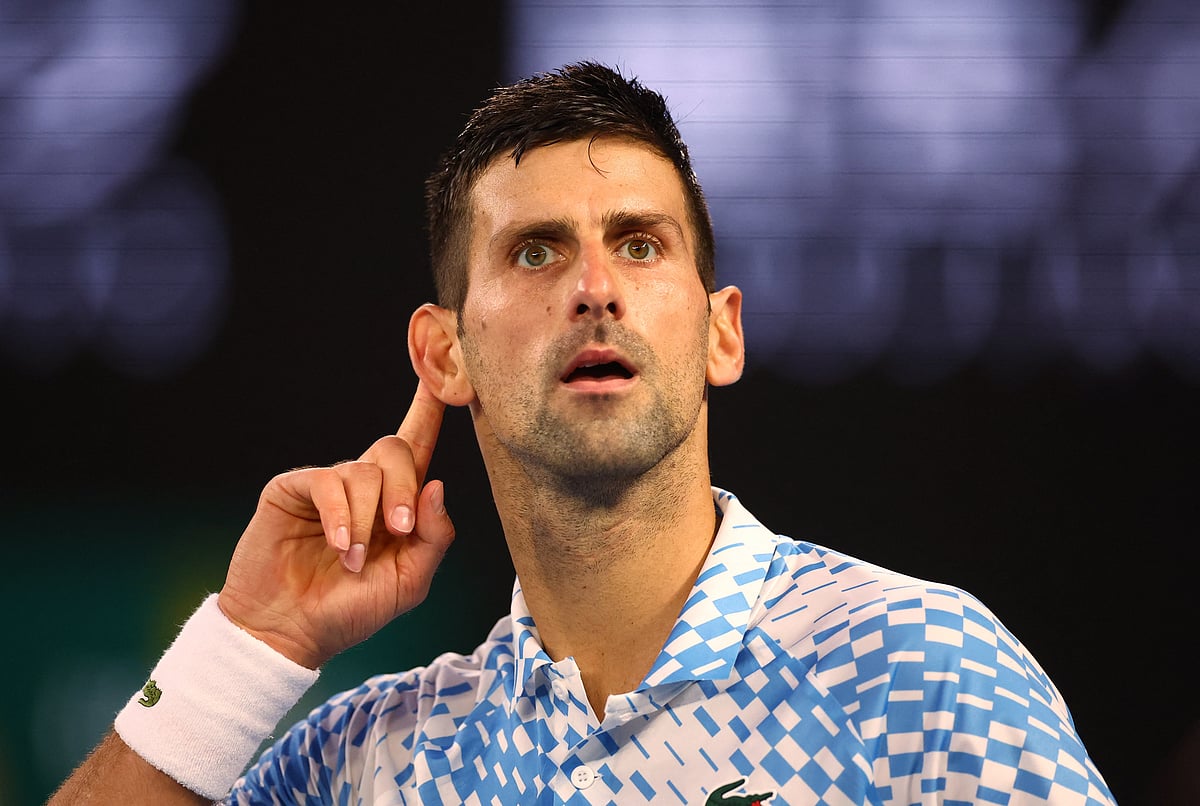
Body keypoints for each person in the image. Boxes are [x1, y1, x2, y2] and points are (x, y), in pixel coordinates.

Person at [50, 61, 1117, 805]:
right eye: (535, 253)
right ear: (443, 353)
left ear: (719, 330)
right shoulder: (376, 764)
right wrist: (250, 639)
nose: (596, 289)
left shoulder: (914, 670)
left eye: (641, 245)